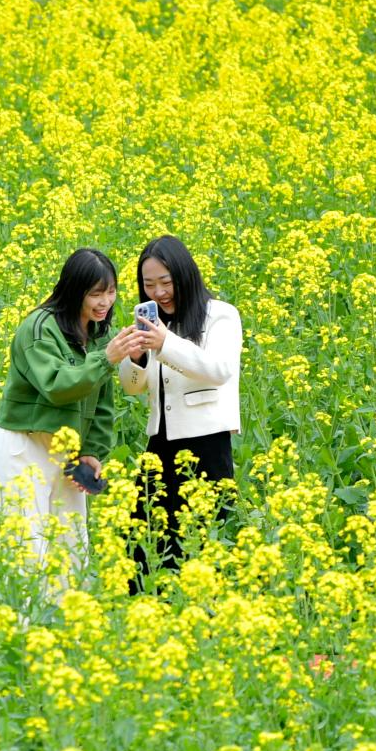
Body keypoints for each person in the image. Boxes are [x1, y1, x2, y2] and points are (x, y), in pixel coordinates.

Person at [0, 248, 145, 580]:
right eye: (96, 294)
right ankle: (23, 631)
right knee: (27, 552)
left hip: (67, 449)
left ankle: (68, 631)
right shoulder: (38, 328)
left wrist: (92, 450)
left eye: (111, 291)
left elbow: (102, 400)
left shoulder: (98, 331)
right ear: (75, 290)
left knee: (72, 550)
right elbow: (58, 386)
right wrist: (107, 358)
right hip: (24, 445)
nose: (105, 302)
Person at [119, 235, 243, 568]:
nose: (157, 293)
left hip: (207, 445)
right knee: (142, 542)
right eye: (148, 285)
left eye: (165, 282)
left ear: (185, 276)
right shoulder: (154, 323)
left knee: (202, 545)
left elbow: (219, 370)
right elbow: (133, 388)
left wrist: (165, 342)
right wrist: (137, 359)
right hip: (159, 443)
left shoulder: (220, 316)